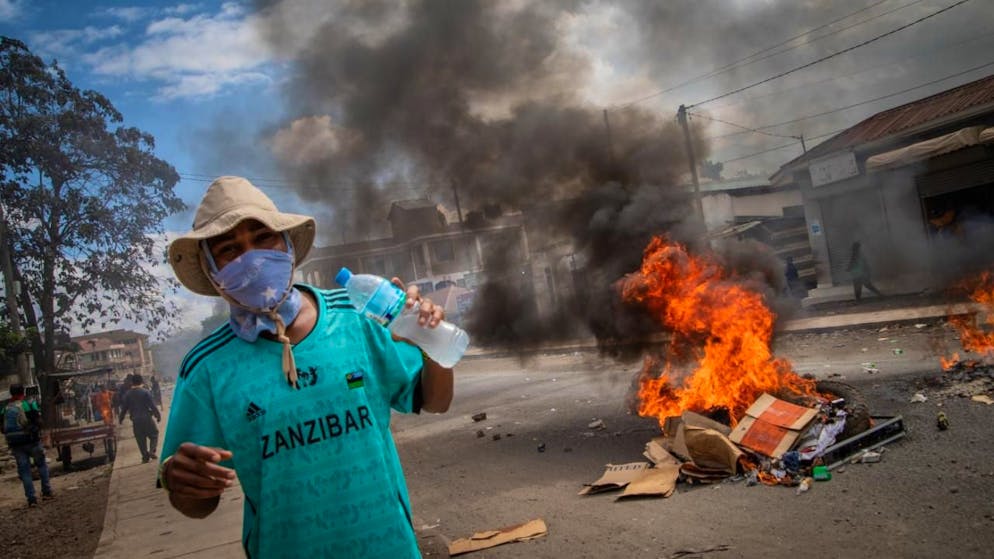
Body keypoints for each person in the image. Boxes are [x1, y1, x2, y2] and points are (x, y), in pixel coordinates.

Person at [158, 176, 454, 558]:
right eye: (230, 249)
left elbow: (436, 401)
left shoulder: (358, 315)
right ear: (213, 273)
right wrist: (181, 483)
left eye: (262, 239)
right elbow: (196, 503)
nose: (250, 256)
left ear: (287, 246)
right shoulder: (206, 368)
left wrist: (432, 343)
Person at [2, 384, 53, 506]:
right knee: (41, 465)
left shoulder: (5, 409)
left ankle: (31, 499)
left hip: (15, 444)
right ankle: (46, 492)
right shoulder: (29, 404)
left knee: (24, 471)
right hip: (32, 441)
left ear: (11, 393)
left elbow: (2, 428)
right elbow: (39, 421)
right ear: (22, 392)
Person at [119, 374, 162, 464]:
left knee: (140, 439)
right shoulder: (145, 392)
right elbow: (152, 406)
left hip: (135, 420)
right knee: (154, 434)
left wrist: (121, 418)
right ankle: (151, 450)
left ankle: (145, 457)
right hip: (147, 418)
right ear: (141, 381)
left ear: (132, 382)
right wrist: (157, 415)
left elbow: (124, 409)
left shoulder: (127, 394)